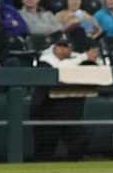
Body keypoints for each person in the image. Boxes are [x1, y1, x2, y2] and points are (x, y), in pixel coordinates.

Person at [31, 33, 98, 161]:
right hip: (45, 112)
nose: (64, 49)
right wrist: (84, 57)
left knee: (80, 140)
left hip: (67, 111)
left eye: (67, 46)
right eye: (61, 46)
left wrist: (86, 57)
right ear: (55, 47)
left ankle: (72, 168)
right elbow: (58, 69)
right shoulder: (45, 60)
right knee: (45, 151)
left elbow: (94, 63)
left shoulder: (74, 57)